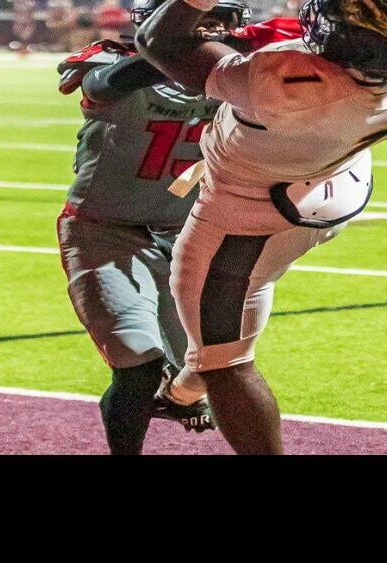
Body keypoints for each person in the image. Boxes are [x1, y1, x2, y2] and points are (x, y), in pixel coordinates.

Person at [137, 0, 387, 454]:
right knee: (226, 319)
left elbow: (159, 41)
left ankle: (203, 386)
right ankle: (181, 393)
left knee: (225, 358)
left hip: (242, 220)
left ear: (352, 45)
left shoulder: (290, 86)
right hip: (334, 189)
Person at [55, 0, 253, 455]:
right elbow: (105, 84)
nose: (213, 30)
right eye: (201, 20)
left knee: (210, 366)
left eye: (221, 21)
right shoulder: (111, 61)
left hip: (190, 234)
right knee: (139, 365)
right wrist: (174, 53)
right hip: (105, 231)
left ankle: (176, 398)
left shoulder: (244, 75)